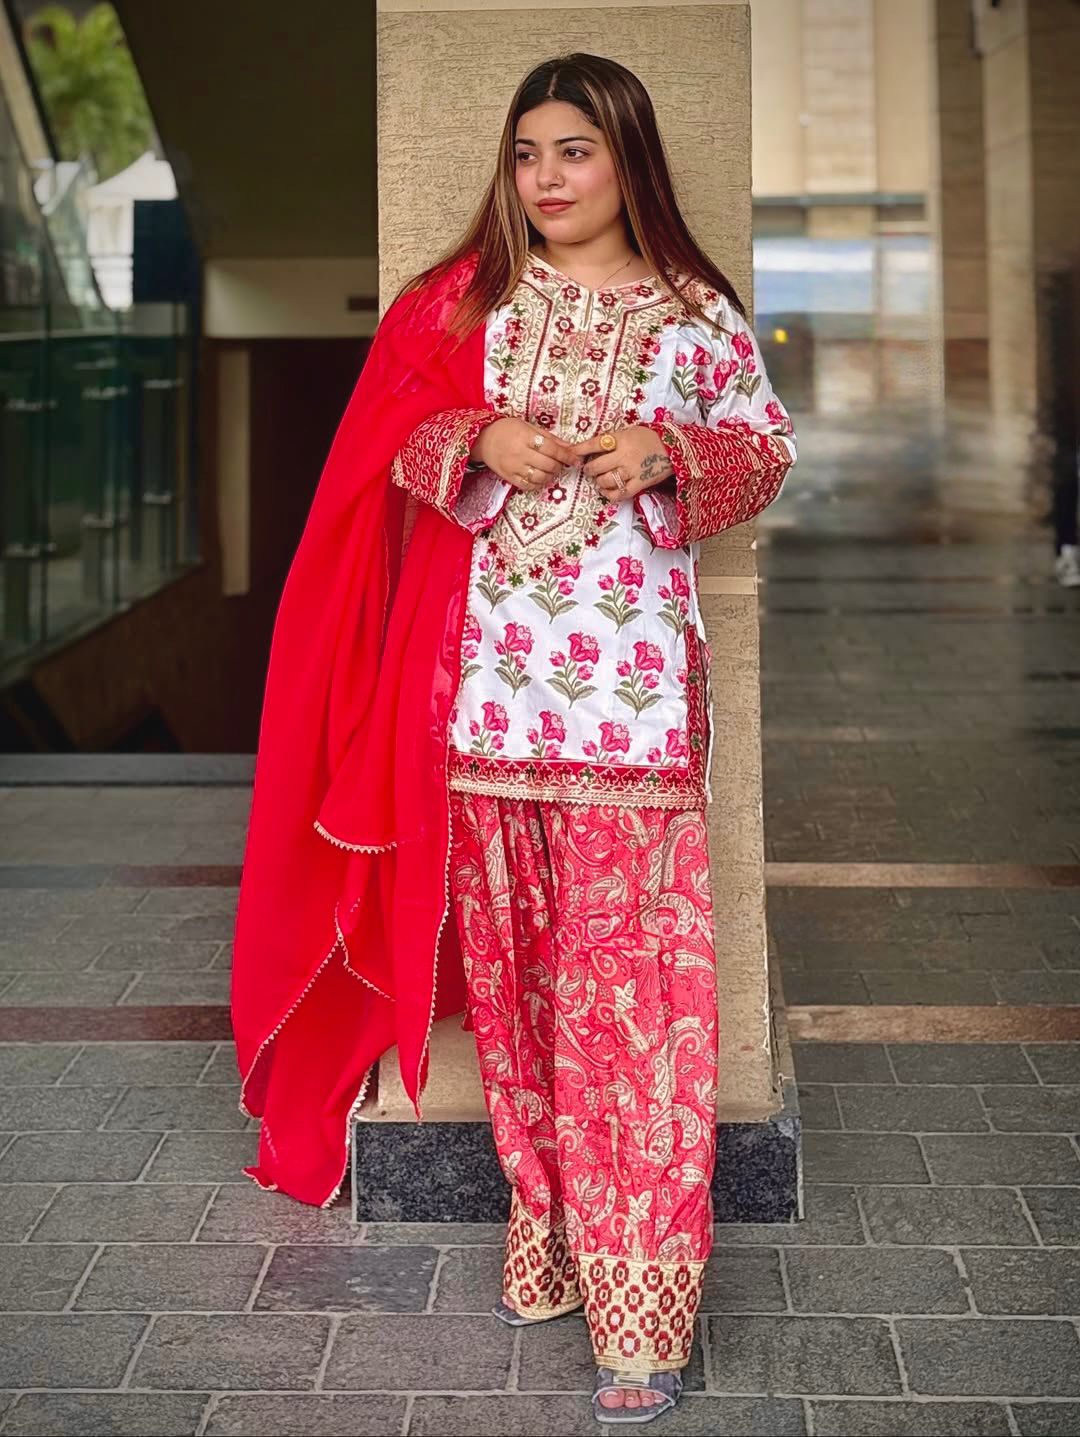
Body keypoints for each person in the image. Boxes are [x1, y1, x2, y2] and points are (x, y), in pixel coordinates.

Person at [232, 52, 796, 1424]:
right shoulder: (464, 303)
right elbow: (377, 448)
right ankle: (543, 1235)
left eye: (575, 151)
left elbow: (767, 448)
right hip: (483, 712)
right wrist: (474, 435)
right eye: (529, 152)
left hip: (634, 721)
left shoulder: (699, 315)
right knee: (521, 999)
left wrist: (670, 453)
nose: (546, 178)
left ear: (629, 159)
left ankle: (644, 1311)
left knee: (637, 1013)